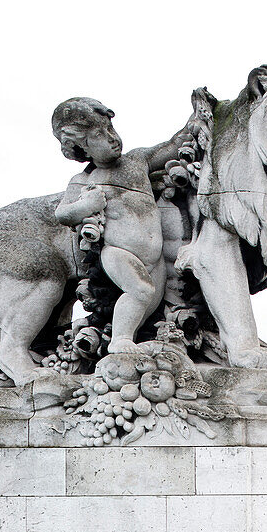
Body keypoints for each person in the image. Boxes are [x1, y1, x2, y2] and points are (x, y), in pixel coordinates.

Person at [53, 98, 194, 354]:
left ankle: (132, 343)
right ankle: (120, 341)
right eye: (99, 134)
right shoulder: (83, 180)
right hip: (119, 253)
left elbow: (173, 145)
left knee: (148, 305)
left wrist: (198, 118)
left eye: (110, 128)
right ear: (80, 146)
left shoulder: (137, 161)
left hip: (155, 259)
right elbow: (63, 213)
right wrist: (87, 205)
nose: (112, 137)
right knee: (140, 291)